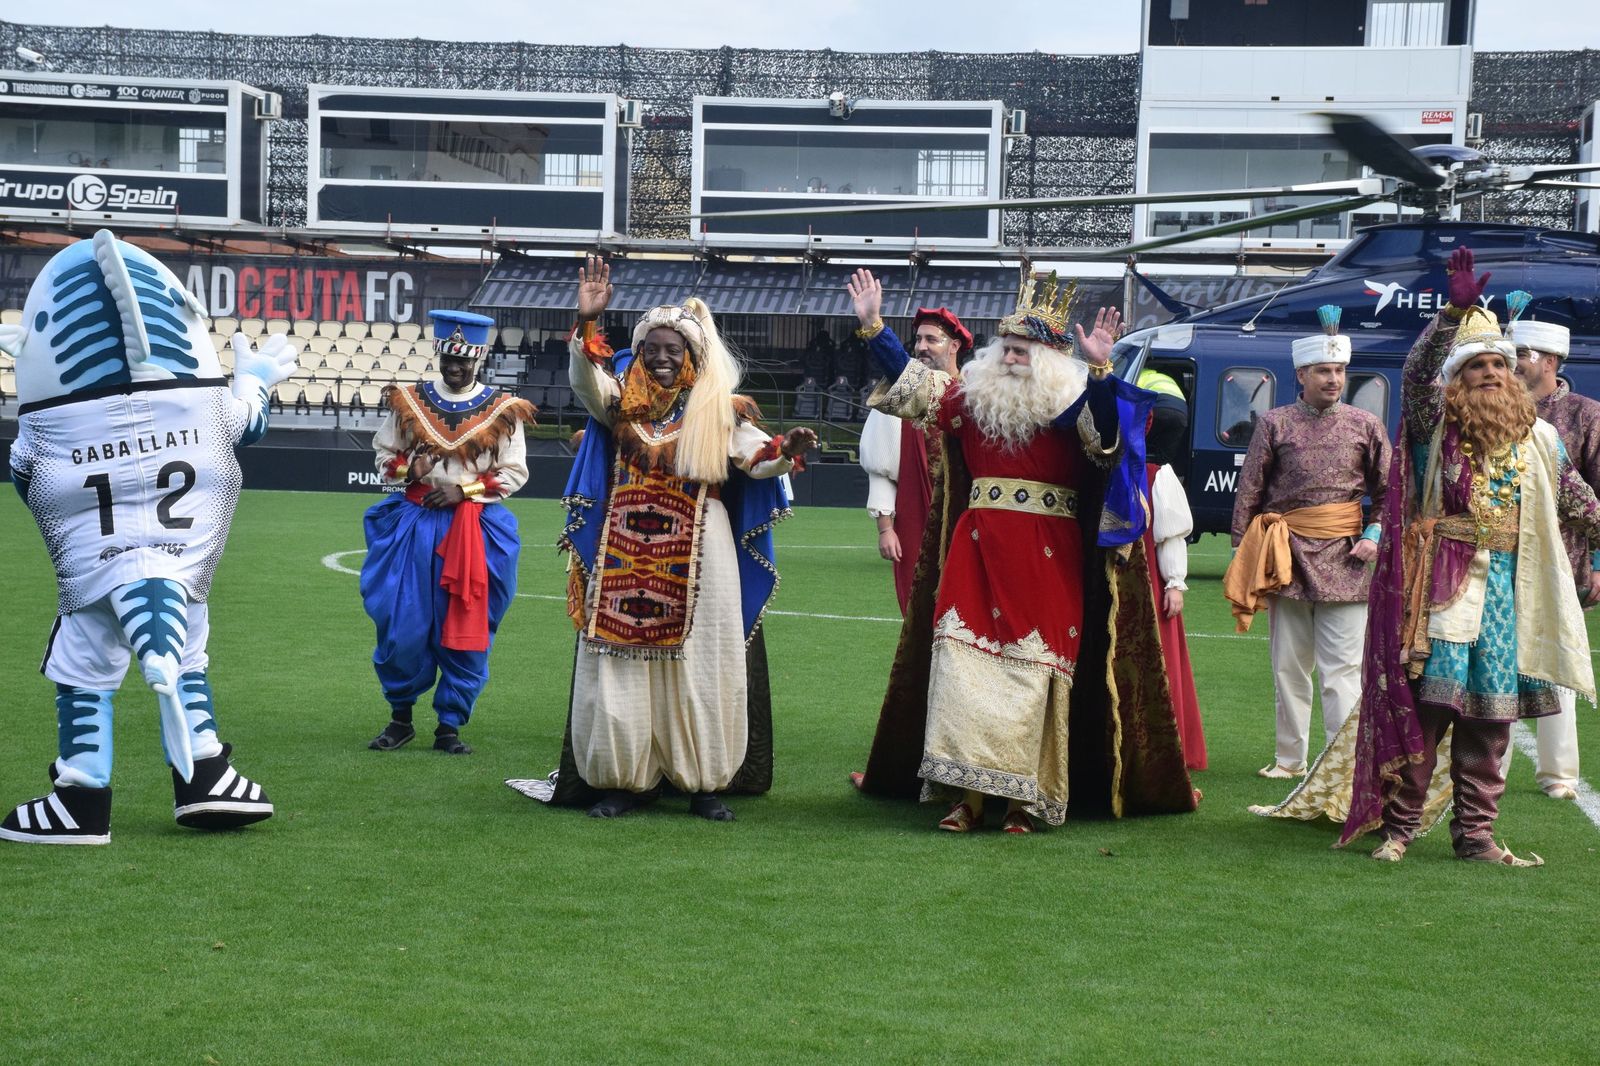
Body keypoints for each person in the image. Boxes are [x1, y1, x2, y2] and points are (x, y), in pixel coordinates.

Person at [846, 267, 1197, 833]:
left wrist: (1103, 368)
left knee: (1033, 673)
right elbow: (912, 383)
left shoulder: (1072, 402)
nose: (1012, 357)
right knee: (961, 667)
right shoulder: (971, 399)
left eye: (1025, 349)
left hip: (1047, 554)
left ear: (1054, 358)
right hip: (976, 552)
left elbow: (1110, 436)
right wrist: (874, 328)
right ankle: (966, 798)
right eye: (1006, 347)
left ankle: (1023, 802)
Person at [1, 230, 294, 843]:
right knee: (184, 657)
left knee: (83, 669)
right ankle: (205, 775)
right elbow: (251, 421)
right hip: (183, 562)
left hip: (92, 567)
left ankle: (81, 798)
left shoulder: (54, 420)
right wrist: (255, 376)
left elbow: (25, 472)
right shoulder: (204, 408)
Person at [529, 255, 814, 822]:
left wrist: (787, 451)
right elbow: (585, 379)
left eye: (673, 349)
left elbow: (756, 461)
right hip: (621, 552)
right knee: (618, 664)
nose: (661, 358)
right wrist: (587, 322)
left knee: (703, 664)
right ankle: (622, 782)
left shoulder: (719, 412)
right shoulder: (616, 405)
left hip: (703, 551)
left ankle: (704, 782)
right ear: (638, 351)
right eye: (652, 348)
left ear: (691, 357)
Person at [1348, 248, 1600, 866]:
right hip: (1440, 586)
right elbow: (1415, 375)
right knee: (1430, 708)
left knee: (1492, 720)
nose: (1490, 373)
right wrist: (1452, 316)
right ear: (1458, 380)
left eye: (1499, 364)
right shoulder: (1438, 427)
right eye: (1477, 366)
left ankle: (1477, 836)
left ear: (1515, 376)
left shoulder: (1541, 437)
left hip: (1510, 593)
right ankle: (1400, 829)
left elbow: (1581, 502)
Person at [1224, 306, 1390, 779]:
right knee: (1289, 668)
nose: (1334, 378)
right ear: (1302, 374)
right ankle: (1289, 759)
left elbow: (1389, 491)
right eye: (1324, 370)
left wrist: (1375, 535)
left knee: (1342, 672)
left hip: (1348, 556)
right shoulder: (1274, 423)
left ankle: (1341, 765)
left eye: (1339, 370)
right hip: (1286, 554)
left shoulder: (1366, 424)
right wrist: (1243, 550)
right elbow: (1250, 489)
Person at [361, 310, 536, 756]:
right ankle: (400, 718)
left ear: (477, 358)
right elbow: (384, 455)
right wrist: (408, 468)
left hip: (475, 529)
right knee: (403, 624)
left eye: (464, 361)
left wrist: (466, 490)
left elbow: (514, 473)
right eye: (448, 359)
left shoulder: (503, 410)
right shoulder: (410, 401)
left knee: (467, 624)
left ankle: (450, 725)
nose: (455, 368)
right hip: (415, 524)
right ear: (439, 354)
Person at [1505, 297, 1600, 801]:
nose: (1513, 360)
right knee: (1496, 658)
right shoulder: (1492, 405)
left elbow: (1595, 495)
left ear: (1550, 361)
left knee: (1559, 657)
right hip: (1498, 555)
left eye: (1523, 351)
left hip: (1565, 559)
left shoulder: (1587, 415)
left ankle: (1559, 774)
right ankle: (1487, 762)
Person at [858, 305, 973, 615]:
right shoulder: (902, 395)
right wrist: (886, 528)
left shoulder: (975, 395)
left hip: (968, 519)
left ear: (954, 346)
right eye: (918, 339)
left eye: (931, 339)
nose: (921, 347)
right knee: (918, 607)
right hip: (917, 517)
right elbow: (882, 467)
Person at [1145, 459, 1206, 771]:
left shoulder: (1156, 475)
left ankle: (1164, 748)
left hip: (1147, 583)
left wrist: (1173, 583)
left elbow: (1170, 536)